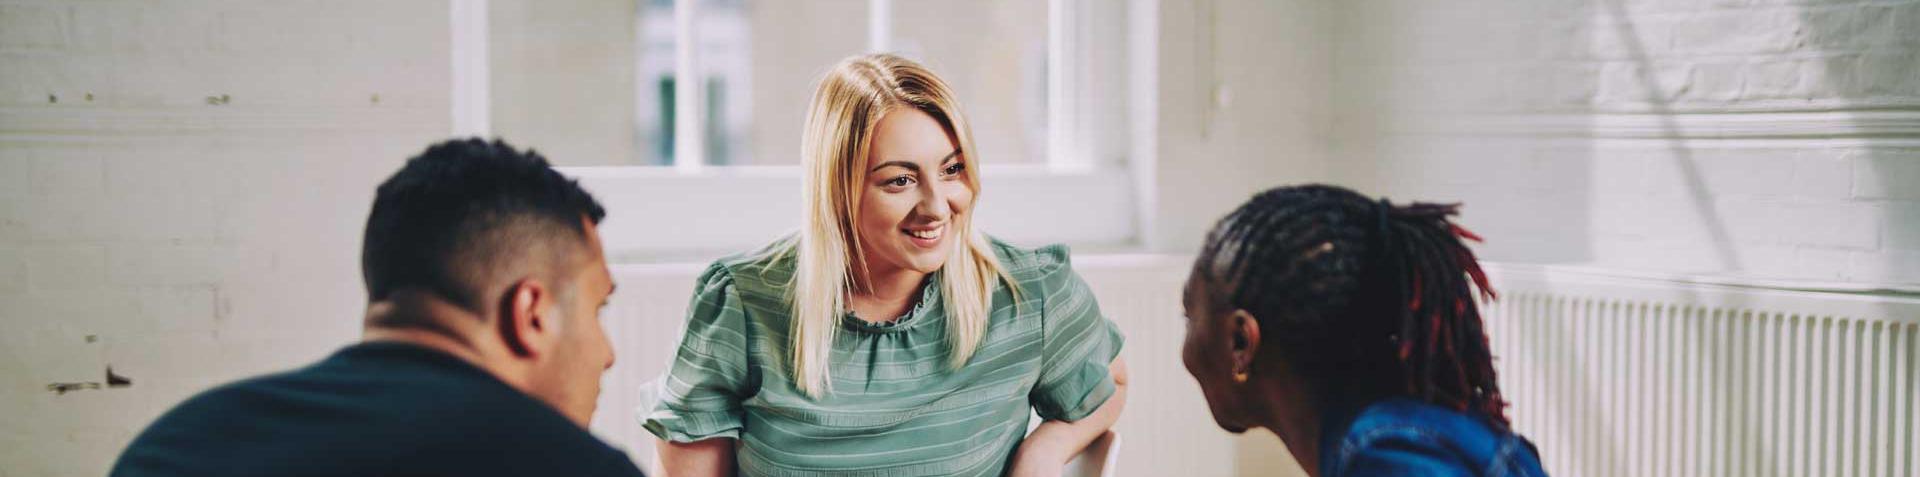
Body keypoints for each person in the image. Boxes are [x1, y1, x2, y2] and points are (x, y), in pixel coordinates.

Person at [645, 53, 1128, 477]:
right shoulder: (742, 303)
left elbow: (1111, 382)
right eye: (900, 180)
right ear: (837, 190)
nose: (937, 206)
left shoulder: (1029, 292)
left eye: (952, 169)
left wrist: (1047, 448)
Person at [110, 139, 645, 477]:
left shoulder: (180, 443)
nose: (608, 354)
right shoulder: (571, 466)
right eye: (598, 310)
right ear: (531, 313)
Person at [1179, 184, 1549, 477]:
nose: (1185, 355)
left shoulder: (1389, 455)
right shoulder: (1399, 434)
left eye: (1189, 318)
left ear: (1240, 341)